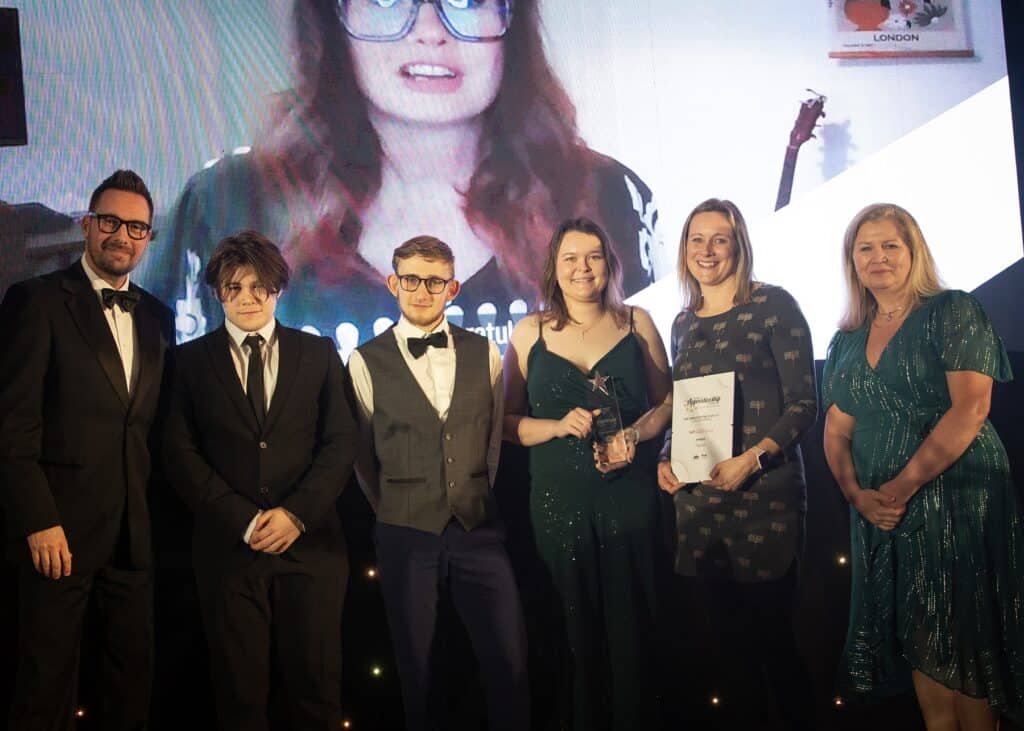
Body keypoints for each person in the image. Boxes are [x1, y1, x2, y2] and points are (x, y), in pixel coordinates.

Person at [140, 0, 667, 348]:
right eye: (388, 0)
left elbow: (655, 396)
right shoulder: (226, 203)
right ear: (331, 19)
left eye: (465, 1)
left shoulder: (609, 197)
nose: (430, 32)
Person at [821, 203, 1024, 728]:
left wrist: (901, 486)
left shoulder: (952, 310)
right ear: (852, 262)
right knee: (920, 635)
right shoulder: (845, 340)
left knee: (967, 637)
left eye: (891, 245)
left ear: (914, 252)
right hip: (885, 511)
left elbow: (972, 408)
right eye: (865, 248)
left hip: (958, 497)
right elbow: (836, 430)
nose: (878, 257)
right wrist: (857, 495)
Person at [0, 170, 174, 730]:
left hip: (135, 537)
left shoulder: (157, 316)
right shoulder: (37, 301)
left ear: (149, 238)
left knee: (129, 692)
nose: (122, 235)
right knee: (44, 690)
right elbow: (13, 426)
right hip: (58, 538)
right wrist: (39, 520)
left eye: (136, 227)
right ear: (87, 225)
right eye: (110, 222)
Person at [162, 230, 357, 729]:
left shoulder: (317, 353)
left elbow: (340, 443)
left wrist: (295, 514)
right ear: (217, 291)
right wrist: (244, 521)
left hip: (312, 550)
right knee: (239, 699)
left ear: (277, 289)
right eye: (234, 287)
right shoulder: (187, 362)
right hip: (228, 553)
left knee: (318, 695)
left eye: (258, 287)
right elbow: (179, 454)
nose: (247, 298)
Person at [348, 235, 529, 731]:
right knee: (419, 674)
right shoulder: (364, 362)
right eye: (411, 279)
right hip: (404, 533)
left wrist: (470, 491)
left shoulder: (486, 353)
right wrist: (401, 505)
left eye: (434, 281)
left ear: (452, 287)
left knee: (508, 665)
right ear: (393, 283)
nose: (422, 291)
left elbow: (492, 443)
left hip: (478, 527)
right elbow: (363, 457)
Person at [503, 217, 671, 730]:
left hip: (630, 497)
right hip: (559, 501)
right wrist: (555, 426)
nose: (583, 268)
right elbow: (507, 425)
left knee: (633, 628)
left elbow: (668, 401)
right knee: (570, 631)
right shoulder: (528, 331)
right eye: (570, 258)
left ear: (610, 264)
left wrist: (636, 438)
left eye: (593, 256)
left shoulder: (637, 321)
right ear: (554, 267)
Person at [656, 198, 816, 729]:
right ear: (683, 250)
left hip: (764, 499)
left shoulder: (775, 306)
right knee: (727, 655)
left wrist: (752, 459)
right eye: (696, 240)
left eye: (719, 238)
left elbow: (803, 405)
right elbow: (685, 406)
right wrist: (665, 456)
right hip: (701, 506)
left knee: (775, 647)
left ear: (738, 245)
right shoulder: (682, 323)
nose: (707, 250)